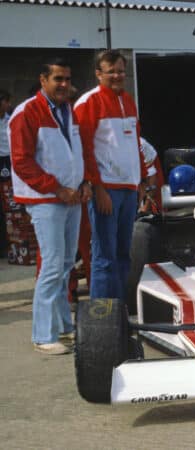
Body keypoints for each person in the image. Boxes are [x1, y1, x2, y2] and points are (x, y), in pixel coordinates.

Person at [9, 59, 91, 354]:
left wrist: (83, 184)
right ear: (43, 80)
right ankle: (43, 335)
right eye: (58, 78)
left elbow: (75, 154)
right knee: (53, 266)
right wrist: (56, 188)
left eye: (67, 79)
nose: (64, 84)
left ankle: (62, 327)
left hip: (71, 197)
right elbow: (21, 162)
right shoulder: (26, 113)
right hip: (46, 200)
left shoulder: (68, 110)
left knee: (66, 265)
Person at [74, 50, 148, 301]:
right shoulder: (88, 102)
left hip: (129, 189)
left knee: (123, 254)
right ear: (98, 74)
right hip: (106, 190)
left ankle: (119, 312)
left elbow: (135, 143)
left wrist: (142, 181)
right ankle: (102, 317)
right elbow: (83, 149)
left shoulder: (127, 100)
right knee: (104, 257)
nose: (117, 76)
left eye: (120, 71)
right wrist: (98, 188)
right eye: (111, 71)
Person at [0, 89, 11, 254]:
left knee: (8, 203)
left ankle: (8, 245)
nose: (8, 105)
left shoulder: (10, 119)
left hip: (9, 161)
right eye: (5, 101)